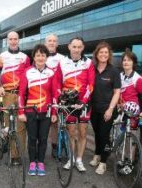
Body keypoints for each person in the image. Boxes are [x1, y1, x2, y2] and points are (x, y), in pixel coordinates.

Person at [18, 44, 58, 176]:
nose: (40, 57)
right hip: (31, 111)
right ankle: (32, 162)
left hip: (46, 111)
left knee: (43, 138)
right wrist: (21, 112)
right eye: (38, 55)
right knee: (32, 138)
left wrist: (54, 113)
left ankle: (40, 162)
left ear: (46, 57)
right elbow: (21, 94)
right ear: (34, 57)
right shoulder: (27, 72)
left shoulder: (51, 72)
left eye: (43, 55)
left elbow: (54, 95)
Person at [56, 37, 95, 172]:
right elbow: (57, 83)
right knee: (71, 132)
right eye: (74, 47)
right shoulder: (62, 62)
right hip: (68, 104)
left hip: (84, 103)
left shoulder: (88, 63)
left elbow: (91, 85)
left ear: (83, 48)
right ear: (69, 47)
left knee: (83, 132)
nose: (77, 49)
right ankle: (71, 158)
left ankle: (79, 160)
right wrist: (60, 97)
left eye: (79, 47)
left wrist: (83, 101)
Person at [0, 31, 30, 165]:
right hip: (7, 94)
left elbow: (29, 75)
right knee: (7, 125)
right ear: (7, 41)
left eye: (15, 39)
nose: (13, 41)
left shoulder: (25, 57)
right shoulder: (2, 56)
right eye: (11, 39)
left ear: (19, 40)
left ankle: (17, 155)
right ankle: (10, 149)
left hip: (21, 94)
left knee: (21, 126)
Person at [89, 41, 121, 175]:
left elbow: (117, 92)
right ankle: (97, 154)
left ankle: (103, 162)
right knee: (97, 133)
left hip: (107, 110)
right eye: (101, 52)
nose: (103, 54)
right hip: (93, 109)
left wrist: (110, 109)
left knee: (104, 135)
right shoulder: (92, 69)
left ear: (109, 55)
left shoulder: (113, 71)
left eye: (106, 52)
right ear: (96, 54)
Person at [44, 34, 64, 158]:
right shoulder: (40, 57)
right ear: (46, 43)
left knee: (55, 122)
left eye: (54, 41)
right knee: (43, 122)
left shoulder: (62, 58)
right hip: (43, 95)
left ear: (57, 44)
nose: (52, 43)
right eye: (49, 41)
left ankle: (55, 147)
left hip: (57, 94)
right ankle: (41, 146)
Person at [120, 48, 142, 118]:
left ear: (133, 63)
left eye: (129, 60)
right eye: (124, 60)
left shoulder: (137, 79)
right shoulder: (119, 75)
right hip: (120, 110)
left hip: (132, 112)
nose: (126, 62)